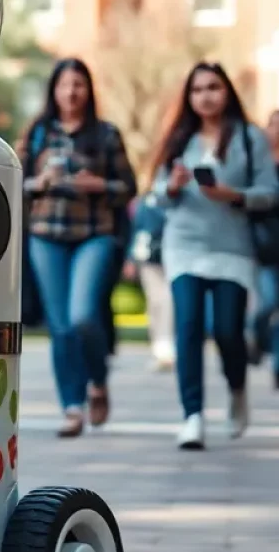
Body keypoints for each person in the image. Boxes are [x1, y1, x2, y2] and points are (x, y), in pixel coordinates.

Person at [151, 62, 279, 449]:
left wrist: (233, 196)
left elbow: (269, 192)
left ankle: (237, 387)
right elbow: (155, 196)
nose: (205, 96)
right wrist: (171, 187)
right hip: (184, 244)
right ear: (188, 97)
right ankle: (192, 416)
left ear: (227, 92)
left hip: (232, 248)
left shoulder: (248, 137)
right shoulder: (179, 138)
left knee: (226, 330)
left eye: (213, 87)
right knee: (188, 327)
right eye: (197, 89)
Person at [16, 58, 137, 438]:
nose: (72, 92)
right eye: (65, 85)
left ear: (89, 90)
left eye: (79, 84)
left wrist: (99, 186)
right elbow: (12, 181)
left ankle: (97, 381)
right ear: (53, 90)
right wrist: (39, 183)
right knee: (61, 327)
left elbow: (129, 187)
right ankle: (72, 406)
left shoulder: (105, 134)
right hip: (45, 236)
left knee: (84, 316)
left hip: (93, 235)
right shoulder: (37, 133)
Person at [122, 190, 174, 372]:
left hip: (170, 252)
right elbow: (136, 230)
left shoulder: (168, 194)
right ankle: (159, 346)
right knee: (154, 302)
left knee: (167, 300)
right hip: (146, 254)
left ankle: (167, 345)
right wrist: (130, 258)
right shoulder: (141, 201)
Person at [251, 108, 279, 387]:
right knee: (267, 304)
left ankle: (278, 365)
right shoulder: (258, 165)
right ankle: (257, 338)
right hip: (263, 248)